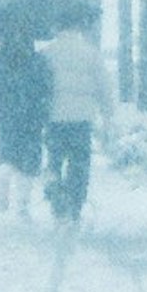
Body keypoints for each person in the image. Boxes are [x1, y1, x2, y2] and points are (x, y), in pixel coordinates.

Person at [37, 20, 108, 224]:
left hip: (54, 119)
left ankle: (56, 195)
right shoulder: (90, 53)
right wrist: (108, 113)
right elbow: (103, 85)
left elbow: (39, 87)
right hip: (81, 119)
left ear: (56, 28)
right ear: (77, 28)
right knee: (80, 163)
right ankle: (75, 205)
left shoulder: (46, 54)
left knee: (54, 159)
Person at [0, 31, 49, 214]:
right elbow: (47, 90)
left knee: (7, 153)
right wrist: (45, 115)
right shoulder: (37, 61)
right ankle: (22, 204)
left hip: (5, 117)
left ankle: (3, 177)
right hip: (32, 117)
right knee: (30, 160)